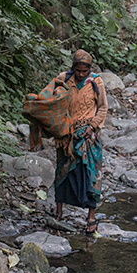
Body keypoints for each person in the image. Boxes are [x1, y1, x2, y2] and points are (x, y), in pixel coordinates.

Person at [54, 49, 108, 235]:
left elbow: (102, 108)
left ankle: (91, 216)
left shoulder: (96, 82)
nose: (81, 74)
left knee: (91, 174)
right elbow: (51, 100)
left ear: (89, 69)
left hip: (88, 135)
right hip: (66, 134)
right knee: (63, 171)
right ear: (73, 68)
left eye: (85, 71)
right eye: (78, 70)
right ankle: (59, 211)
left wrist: (92, 127)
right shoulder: (63, 79)